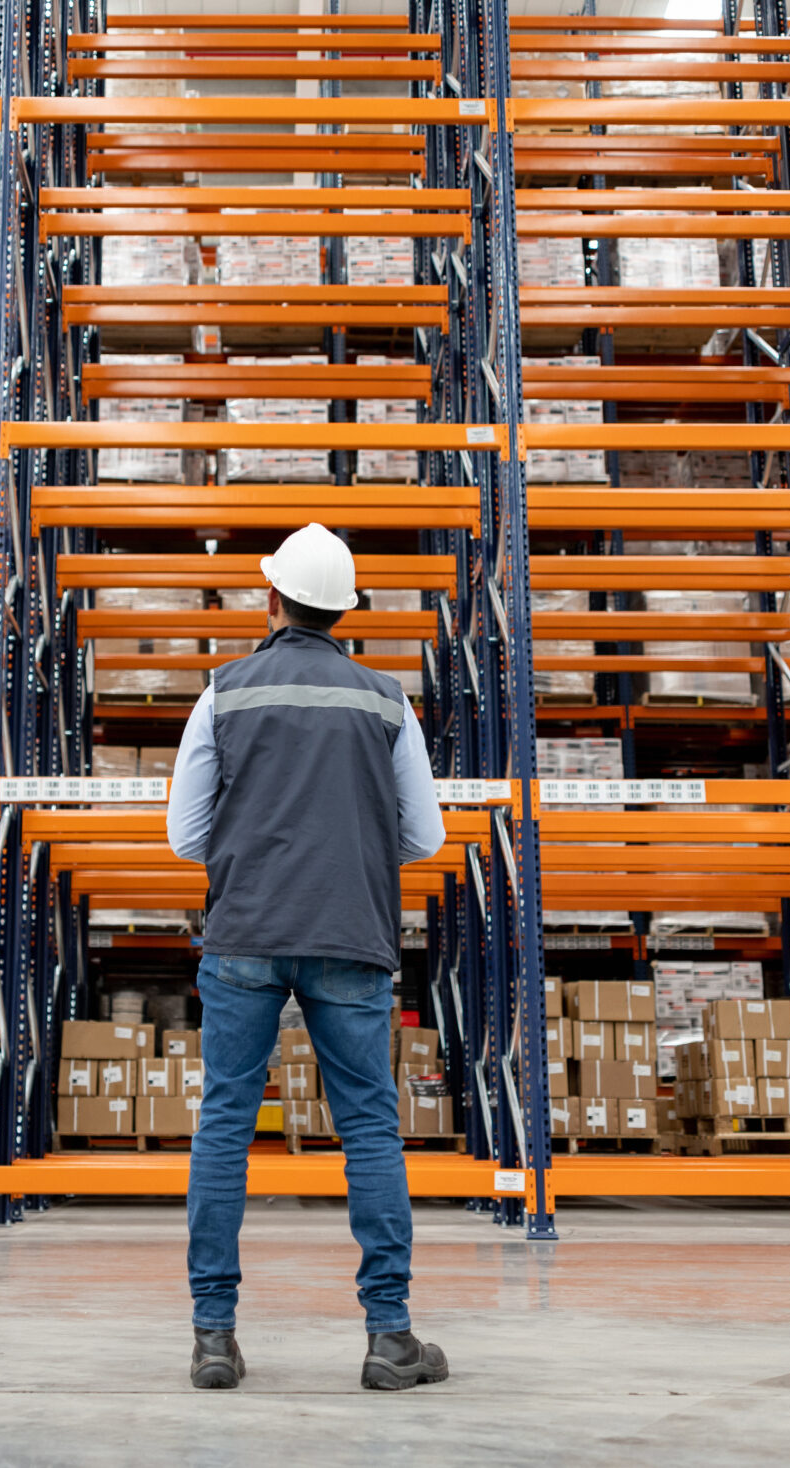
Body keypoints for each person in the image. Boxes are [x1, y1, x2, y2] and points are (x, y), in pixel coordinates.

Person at [165, 522, 450, 1393]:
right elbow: (426, 837)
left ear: (272, 598)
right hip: (351, 936)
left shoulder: (222, 693)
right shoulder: (386, 701)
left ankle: (215, 1338)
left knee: (224, 1127)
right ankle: (389, 1339)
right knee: (368, 1127)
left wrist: (257, 849)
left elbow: (184, 837)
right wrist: (348, 848)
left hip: (245, 932)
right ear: (345, 610)